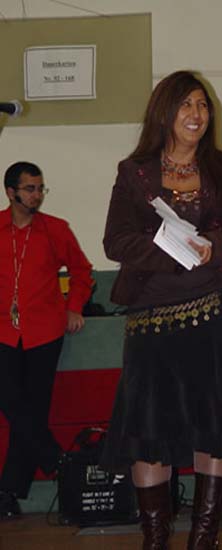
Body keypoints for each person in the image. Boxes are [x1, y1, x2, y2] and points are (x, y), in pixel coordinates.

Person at [101, 70, 222, 549]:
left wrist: (214, 245)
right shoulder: (134, 172)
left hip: (217, 316)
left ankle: (204, 541)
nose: (196, 114)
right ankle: (154, 541)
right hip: (153, 320)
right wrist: (171, 248)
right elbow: (115, 242)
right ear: (164, 112)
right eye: (186, 104)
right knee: (149, 434)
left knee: (215, 431)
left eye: (203, 105)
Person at [0, 161, 93, 518]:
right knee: (14, 403)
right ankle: (56, 459)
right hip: (3, 332)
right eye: (30, 189)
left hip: (44, 332)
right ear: (11, 192)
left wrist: (74, 307)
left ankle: (8, 493)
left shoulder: (56, 229)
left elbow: (82, 271)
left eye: (40, 188)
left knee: (32, 411)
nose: (37, 195)